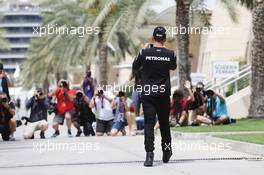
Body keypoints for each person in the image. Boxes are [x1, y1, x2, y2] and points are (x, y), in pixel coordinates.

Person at [132, 26, 177, 166]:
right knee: (164, 124)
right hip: (163, 93)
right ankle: (167, 151)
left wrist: (145, 52)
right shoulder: (171, 54)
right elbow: (173, 67)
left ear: (153, 38)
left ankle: (149, 155)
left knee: (148, 124)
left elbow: (134, 66)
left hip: (148, 94)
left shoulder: (143, 53)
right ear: (164, 39)